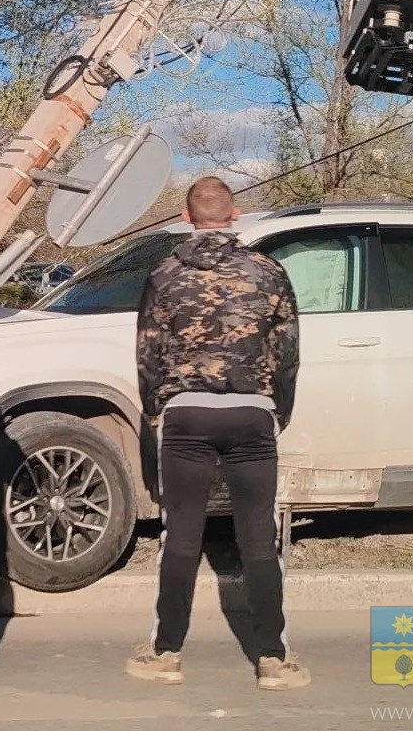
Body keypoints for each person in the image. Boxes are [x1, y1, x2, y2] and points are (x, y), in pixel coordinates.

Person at [128, 176, 306, 692]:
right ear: (236, 215)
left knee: (181, 536)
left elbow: (147, 349)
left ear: (186, 217)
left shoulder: (163, 273)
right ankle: (273, 659)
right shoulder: (270, 271)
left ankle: (167, 653)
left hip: (186, 415)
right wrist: (279, 410)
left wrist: (155, 407)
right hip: (252, 413)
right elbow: (288, 348)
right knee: (258, 538)